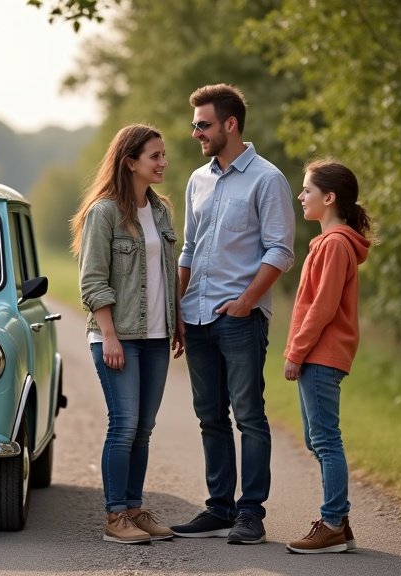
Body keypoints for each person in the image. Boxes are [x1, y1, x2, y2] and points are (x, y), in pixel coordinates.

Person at [169, 84, 296, 545]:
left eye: (202, 124)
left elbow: (281, 250)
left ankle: (251, 514)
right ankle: (218, 509)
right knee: (210, 417)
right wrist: (176, 312)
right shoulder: (197, 180)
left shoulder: (268, 179)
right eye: (194, 125)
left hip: (240, 319)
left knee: (248, 415)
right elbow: (188, 250)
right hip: (196, 317)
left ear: (230, 124)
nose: (195, 132)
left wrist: (246, 301)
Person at [71, 124, 185, 544]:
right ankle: (115, 516)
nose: (163, 163)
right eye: (155, 156)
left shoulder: (161, 211)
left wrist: (177, 323)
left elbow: (167, 273)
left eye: (163, 154)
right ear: (130, 162)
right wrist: (110, 334)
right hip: (117, 336)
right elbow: (92, 281)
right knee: (124, 425)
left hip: (156, 336)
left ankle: (135, 509)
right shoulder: (104, 213)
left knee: (145, 427)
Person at [283, 159, 373, 554]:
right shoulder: (328, 242)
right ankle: (342, 521)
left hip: (322, 355)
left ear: (329, 197)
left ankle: (333, 522)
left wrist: (295, 352)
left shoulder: (336, 244)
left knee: (325, 439)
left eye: (307, 190)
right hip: (317, 356)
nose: (300, 196)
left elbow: (322, 307)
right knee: (316, 438)